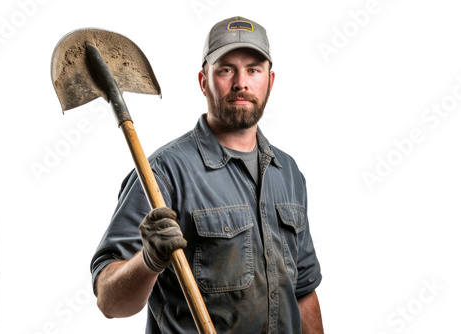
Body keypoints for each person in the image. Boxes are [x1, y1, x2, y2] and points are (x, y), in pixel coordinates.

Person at [91, 16, 323, 333]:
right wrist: (149, 260)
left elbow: (303, 292)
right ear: (204, 81)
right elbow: (110, 302)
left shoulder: (289, 173)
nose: (241, 82)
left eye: (253, 69)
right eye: (226, 69)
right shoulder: (163, 173)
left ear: (270, 81)